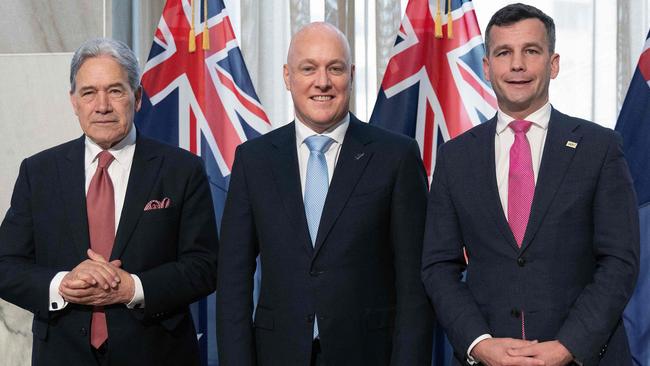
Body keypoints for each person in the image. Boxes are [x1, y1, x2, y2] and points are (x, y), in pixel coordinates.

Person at [421, 3, 640, 366]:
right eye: (504, 53)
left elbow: (620, 261)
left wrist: (568, 346)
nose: (517, 64)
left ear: (553, 64)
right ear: (487, 67)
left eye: (531, 51)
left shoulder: (599, 148)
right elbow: (438, 267)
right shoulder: (455, 158)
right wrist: (479, 344)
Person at [216, 22, 433, 366]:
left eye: (335, 68)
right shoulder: (253, 160)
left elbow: (415, 285)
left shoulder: (396, 156)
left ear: (351, 74)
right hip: (277, 354)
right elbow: (232, 282)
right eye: (308, 68)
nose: (322, 82)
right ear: (288, 77)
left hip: (369, 354)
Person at [0, 38, 218, 366]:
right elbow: (5, 265)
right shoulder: (39, 172)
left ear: (138, 97)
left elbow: (205, 266)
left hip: (157, 353)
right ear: (74, 101)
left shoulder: (182, 169)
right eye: (89, 93)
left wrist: (133, 288)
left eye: (115, 90)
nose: (102, 105)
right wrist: (63, 284)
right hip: (62, 355)